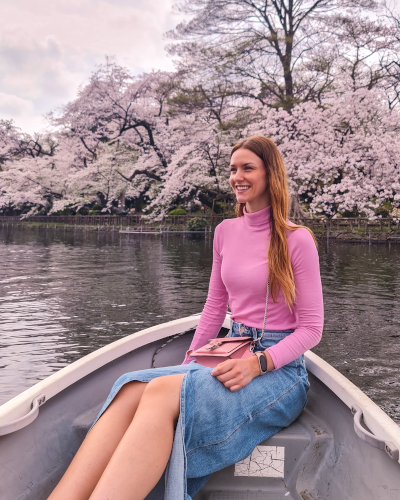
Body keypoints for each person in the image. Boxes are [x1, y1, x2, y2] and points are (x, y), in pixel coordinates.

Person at [48, 136, 323, 500]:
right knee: (132, 386)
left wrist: (258, 364)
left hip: (279, 372)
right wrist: (189, 364)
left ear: (270, 174)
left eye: (247, 168)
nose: (236, 176)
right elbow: (214, 307)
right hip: (231, 349)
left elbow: (311, 329)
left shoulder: (296, 239)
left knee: (162, 392)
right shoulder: (225, 232)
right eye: (232, 169)